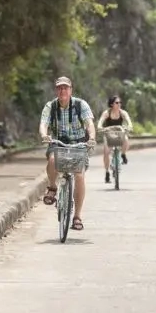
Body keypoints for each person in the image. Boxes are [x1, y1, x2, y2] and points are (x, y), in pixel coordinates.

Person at [38, 76, 96, 231]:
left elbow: (89, 123)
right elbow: (43, 124)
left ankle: (77, 216)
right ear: (56, 90)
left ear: (71, 90)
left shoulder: (80, 104)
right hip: (58, 142)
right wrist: (44, 135)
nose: (62, 90)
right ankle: (52, 187)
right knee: (52, 160)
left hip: (78, 143)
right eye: (59, 88)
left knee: (79, 175)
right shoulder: (51, 106)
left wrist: (92, 137)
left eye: (65, 87)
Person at [97, 95, 134, 183]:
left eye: (120, 103)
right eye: (117, 103)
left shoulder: (122, 113)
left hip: (119, 133)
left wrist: (129, 126)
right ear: (111, 104)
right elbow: (100, 122)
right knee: (106, 152)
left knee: (126, 139)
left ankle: (123, 154)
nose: (119, 104)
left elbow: (129, 121)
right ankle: (107, 172)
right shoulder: (107, 113)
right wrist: (100, 127)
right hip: (109, 134)